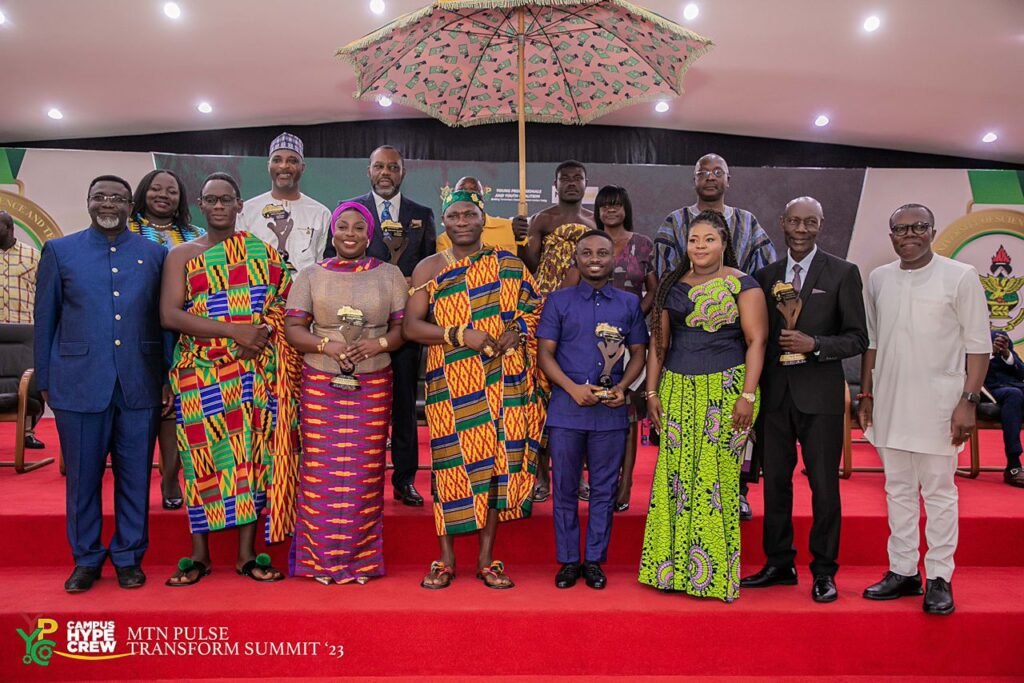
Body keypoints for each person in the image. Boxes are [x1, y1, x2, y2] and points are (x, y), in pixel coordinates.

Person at [161, 172, 301, 587]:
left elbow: (283, 304)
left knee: (251, 459)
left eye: (227, 199)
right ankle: (199, 554)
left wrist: (258, 335)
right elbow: (170, 315)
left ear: (241, 206)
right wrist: (233, 332)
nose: (219, 206)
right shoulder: (181, 255)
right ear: (200, 206)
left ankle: (245, 554)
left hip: (253, 370)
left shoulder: (263, 252)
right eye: (211, 200)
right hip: (199, 372)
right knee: (202, 460)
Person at [34, 175, 170, 592]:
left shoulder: (154, 254)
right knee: (83, 480)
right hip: (77, 383)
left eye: (117, 197)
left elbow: (164, 322)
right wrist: (45, 379)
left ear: (132, 205)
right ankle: (87, 559)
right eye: (100, 197)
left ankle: (129, 556)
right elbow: (46, 319)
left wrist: (165, 374)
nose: (108, 203)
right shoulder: (60, 251)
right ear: (88, 202)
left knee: (134, 479)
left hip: (140, 382)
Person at [404, 189, 543, 590]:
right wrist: (460, 334)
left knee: (495, 467)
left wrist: (516, 333)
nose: (462, 221)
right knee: (450, 467)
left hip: (502, 379)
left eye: (470, 214)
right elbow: (412, 327)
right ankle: (445, 559)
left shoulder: (509, 264)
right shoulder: (429, 268)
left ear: (484, 220)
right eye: (454, 216)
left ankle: (487, 559)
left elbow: (533, 309)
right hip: (451, 381)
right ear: (444, 224)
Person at [859, 203, 990, 616]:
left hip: (941, 406)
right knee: (896, 491)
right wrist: (866, 396)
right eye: (901, 228)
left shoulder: (961, 276)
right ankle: (903, 571)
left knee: (938, 493)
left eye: (919, 227)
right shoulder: (880, 279)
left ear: (933, 231)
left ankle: (938, 576)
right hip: (891, 402)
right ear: (891, 234)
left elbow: (978, 346)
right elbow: (873, 344)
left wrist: (968, 403)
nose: (909, 234)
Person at [741, 197, 867, 603]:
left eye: (809, 222)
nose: (800, 228)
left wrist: (816, 344)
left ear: (820, 224)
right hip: (775, 396)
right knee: (775, 484)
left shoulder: (844, 272)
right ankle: (779, 562)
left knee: (824, 487)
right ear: (782, 222)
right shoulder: (764, 275)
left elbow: (858, 338)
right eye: (793, 221)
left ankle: (824, 570)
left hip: (822, 397)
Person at [639, 209, 768, 602]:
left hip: (727, 391)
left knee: (715, 481)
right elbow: (659, 345)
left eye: (708, 239)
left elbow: (757, 342)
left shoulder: (743, 285)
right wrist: (652, 392)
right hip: (677, 389)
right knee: (675, 480)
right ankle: (671, 572)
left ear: (724, 243)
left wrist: (747, 395)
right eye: (694, 240)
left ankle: (713, 576)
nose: (699, 246)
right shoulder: (671, 286)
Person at [283, 202, 408, 584]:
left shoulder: (390, 275)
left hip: (372, 381)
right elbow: (293, 331)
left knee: (364, 473)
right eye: (343, 227)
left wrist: (380, 344)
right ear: (332, 233)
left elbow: (404, 330)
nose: (350, 234)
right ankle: (319, 560)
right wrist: (327, 348)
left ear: (368, 234)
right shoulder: (309, 275)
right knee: (320, 473)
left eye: (358, 227)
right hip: (321, 381)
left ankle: (360, 561)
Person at [652, 153, 776, 520]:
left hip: (731, 357)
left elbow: (765, 272)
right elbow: (662, 280)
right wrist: (652, 390)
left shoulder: (748, 224)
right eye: (702, 172)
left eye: (717, 172)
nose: (710, 177)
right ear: (693, 179)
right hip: (680, 369)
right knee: (678, 469)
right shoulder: (674, 221)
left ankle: (737, 494)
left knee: (724, 462)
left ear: (728, 178)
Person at [537, 230, 648, 590]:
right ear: (577, 258)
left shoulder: (629, 304)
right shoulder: (558, 301)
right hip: (567, 410)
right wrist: (571, 388)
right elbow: (544, 355)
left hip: (610, 413)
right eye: (586, 253)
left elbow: (639, 354)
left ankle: (595, 560)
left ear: (614, 257)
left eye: (602, 252)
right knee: (565, 488)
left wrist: (622, 389)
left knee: (603, 490)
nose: (595, 258)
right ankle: (569, 561)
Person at [330, 145, 436, 507]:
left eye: (393, 166)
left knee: (405, 404)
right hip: (357, 325)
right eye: (379, 166)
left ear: (404, 171)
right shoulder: (349, 210)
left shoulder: (421, 214)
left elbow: (431, 269)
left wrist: (409, 283)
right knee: (360, 403)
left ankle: (404, 479)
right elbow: (336, 263)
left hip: (404, 327)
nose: (386, 172)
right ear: (369, 170)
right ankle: (362, 479)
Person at [128, 169, 205, 511]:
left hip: (183, 331)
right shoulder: (125, 231)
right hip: (136, 330)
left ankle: (171, 476)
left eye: (171, 190)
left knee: (176, 405)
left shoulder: (196, 235)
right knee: (145, 403)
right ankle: (135, 480)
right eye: (156, 189)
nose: (163, 195)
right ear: (143, 192)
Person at [580, 185, 657, 512]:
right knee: (590, 407)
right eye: (604, 206)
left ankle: (623, 486)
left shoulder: (642, 245)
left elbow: (654, 290)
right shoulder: (589, 242)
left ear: (626, 208)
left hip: (631, 339)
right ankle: (594, 482)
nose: (611, 211)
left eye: (616, 206)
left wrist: (632, 318)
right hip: (589, 340)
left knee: (626, 414)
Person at [525, 160, 596, 503]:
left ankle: (578, 476)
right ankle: (541, 475)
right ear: (555, 184)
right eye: (565, 178)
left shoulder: (594, 223)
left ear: (586, 183)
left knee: (579, 392)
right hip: (545, 309)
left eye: (577, 178)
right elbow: (530, 265)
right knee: (541, 393)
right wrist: (521, 237)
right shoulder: (544, 219)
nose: (571, 183)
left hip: (582, 313)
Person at [238, 132, 331, 273]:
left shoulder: (320, 213)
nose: (284, 166)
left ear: (302, 167)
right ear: (268, 166)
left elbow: (322, 265)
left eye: (292, 161)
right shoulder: (247, 211)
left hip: (306, 292)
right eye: (277, 160)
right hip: (259, 292)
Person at [1, 210, 46, 449]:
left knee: (30, 381)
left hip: (25, 331)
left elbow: (45, 292)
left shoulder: (33, 255)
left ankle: (28, 432)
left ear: (10, 228)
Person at [436, 176, 528, 255]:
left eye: (473, 193)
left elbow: (528, 266)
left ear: (482, 198)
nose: (468, 196)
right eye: (462, 192)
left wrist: (520, 239)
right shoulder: (445, 239)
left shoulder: (510, 227)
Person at [985, 330, 1024, 487]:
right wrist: (989, 354)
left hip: (1016, 389)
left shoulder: (1004, 344)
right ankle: (1013, 464)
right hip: (990, 390)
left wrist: (1007, 353)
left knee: (1015, 394)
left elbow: (1022, 372)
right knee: (1013, 395)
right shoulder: (972, 346)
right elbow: (968, 369)